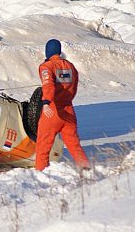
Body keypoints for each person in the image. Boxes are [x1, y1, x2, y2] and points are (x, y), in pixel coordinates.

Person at [35, 39, 90, 171]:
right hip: (69, 109)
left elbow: (49, 85)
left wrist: (46, 102)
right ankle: (86, 169)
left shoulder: (46, 67)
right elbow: (74, 86)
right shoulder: (70, 66)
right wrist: (67, 98)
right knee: (74, 144)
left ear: (47, 51)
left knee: (43, 146)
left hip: (53, 111)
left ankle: (40, 173)